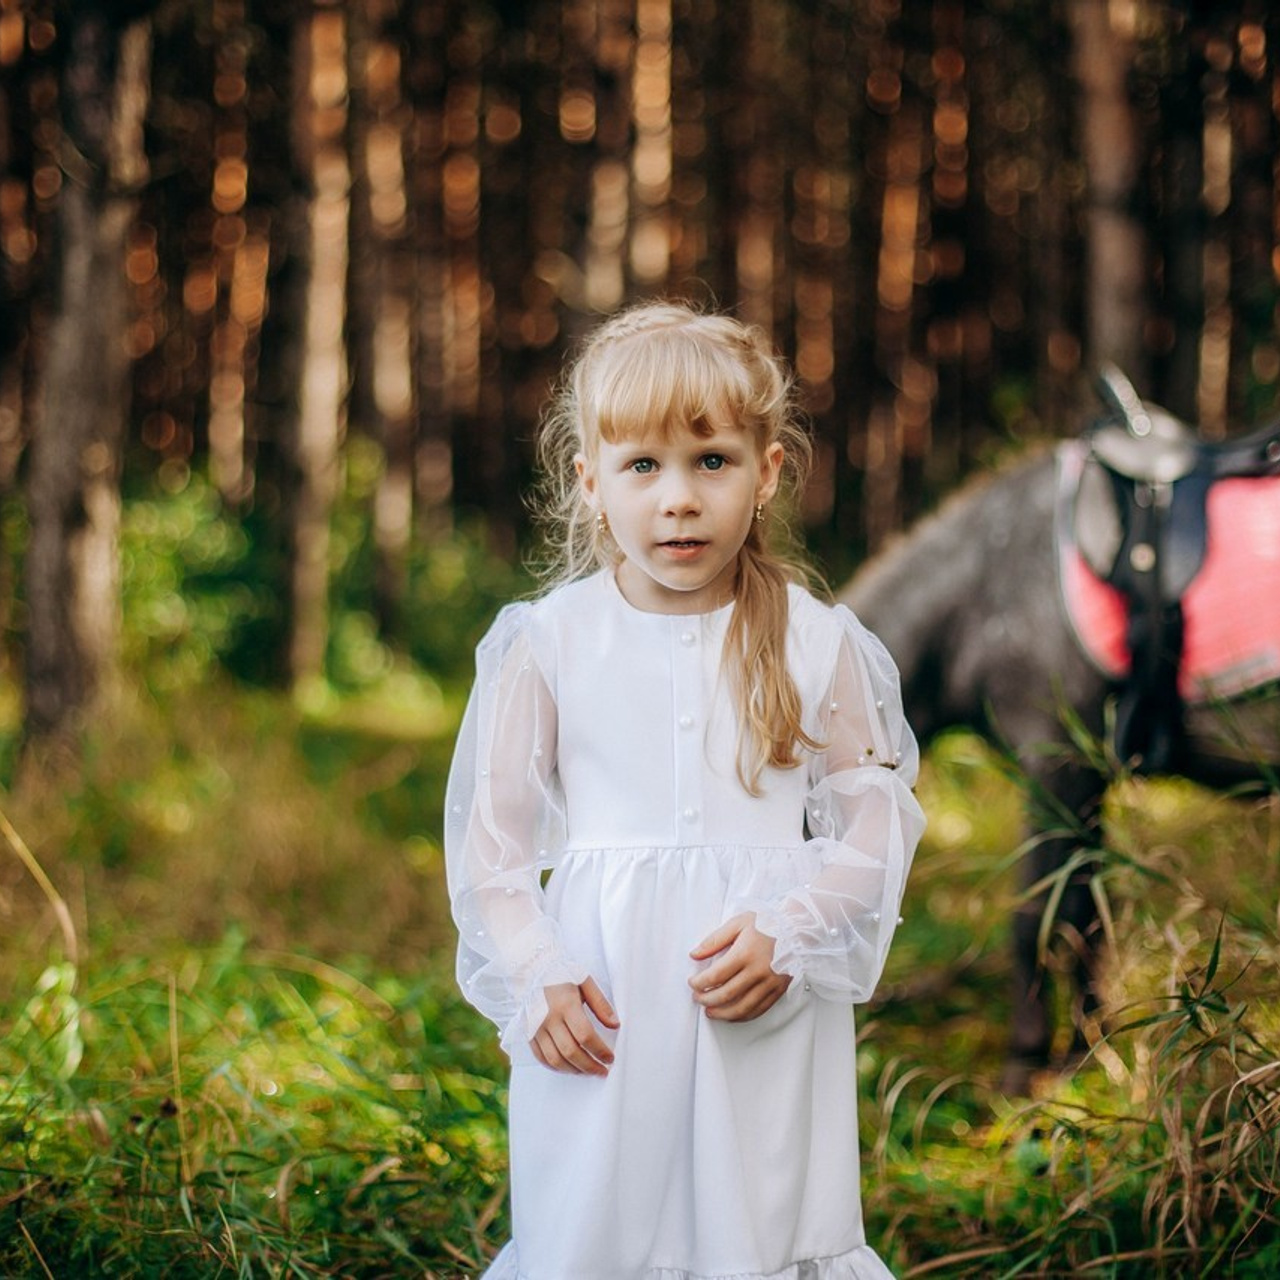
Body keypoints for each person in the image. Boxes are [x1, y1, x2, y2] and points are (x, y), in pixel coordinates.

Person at [444, 300, 927, 1279]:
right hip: (599, 1000)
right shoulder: (545, 642)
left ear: (768, 470)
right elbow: (489, 847)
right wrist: (538, 971)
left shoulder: (814, 638)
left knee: (757, 1222)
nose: (677, 498)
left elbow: (875, 814)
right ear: (589, 481)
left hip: (755, 991)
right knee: (595, 1220)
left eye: (711, 461)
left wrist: (796, 928)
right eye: (641, 466)